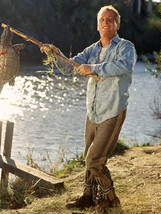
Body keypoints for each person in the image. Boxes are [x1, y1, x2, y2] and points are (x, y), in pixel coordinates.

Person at [41, 5, 137, 212]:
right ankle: (88, 196)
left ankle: (110, 199)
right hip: (92, 112)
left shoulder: (125, 47)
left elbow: (125, 66)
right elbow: (68, 67)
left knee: (95, 160)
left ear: (117, 25)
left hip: (113, 111)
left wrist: (94, 69)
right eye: (102, 19)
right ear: (97, 25)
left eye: (110, 19)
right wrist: (56, 54)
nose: (106, 22)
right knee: (89, 157)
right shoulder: (91, 50)